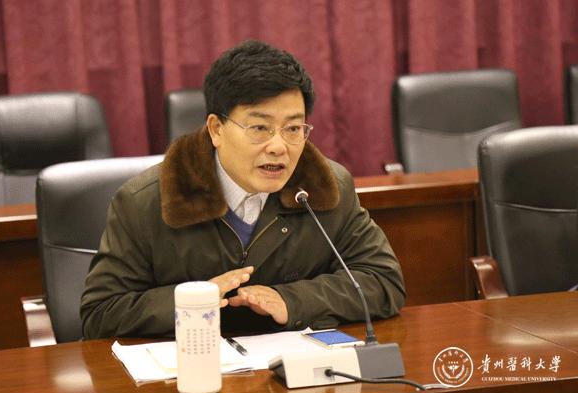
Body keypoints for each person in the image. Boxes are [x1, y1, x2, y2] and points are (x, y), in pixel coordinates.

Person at [81, 40, 405, 339]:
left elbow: (382, 281)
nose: (278, 146)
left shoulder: (325, 187)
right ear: (216, 129)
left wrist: (292, 300)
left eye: (293, 128)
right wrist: (195, 301)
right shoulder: (146, 201)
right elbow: (100, 313)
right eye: (259, 127)